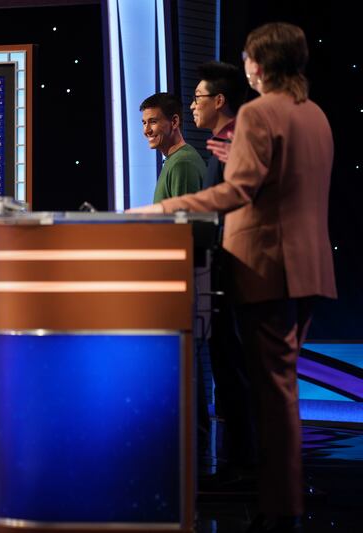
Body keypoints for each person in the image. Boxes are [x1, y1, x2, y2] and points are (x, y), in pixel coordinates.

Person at [130, 23, 335, 533]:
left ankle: (280, 505)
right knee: (278, 388)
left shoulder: (261, 113)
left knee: (272, 393)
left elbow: (238, 191)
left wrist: (162, 210)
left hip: (268, 265)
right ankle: (280, 500)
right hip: (309, 267)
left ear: (259, 65)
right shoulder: (314, 114)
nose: (244, 66)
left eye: (247, 58)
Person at [191, 61, 259, 482]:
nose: (195, 106)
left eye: (199, 99)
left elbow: (226, 209)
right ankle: (240, 459)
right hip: (222, 273)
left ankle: (244, 463)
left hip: (234, 272)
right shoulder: (220, 145)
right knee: (227, 366)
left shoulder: (232, 146)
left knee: (233, 367)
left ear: (219, 101)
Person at [139, 92, 205, 202]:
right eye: (144, 123)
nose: (146, 131)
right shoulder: (175, 160)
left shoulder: (182, 163)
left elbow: (183, 217)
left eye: (153, 122)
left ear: (174, 122)